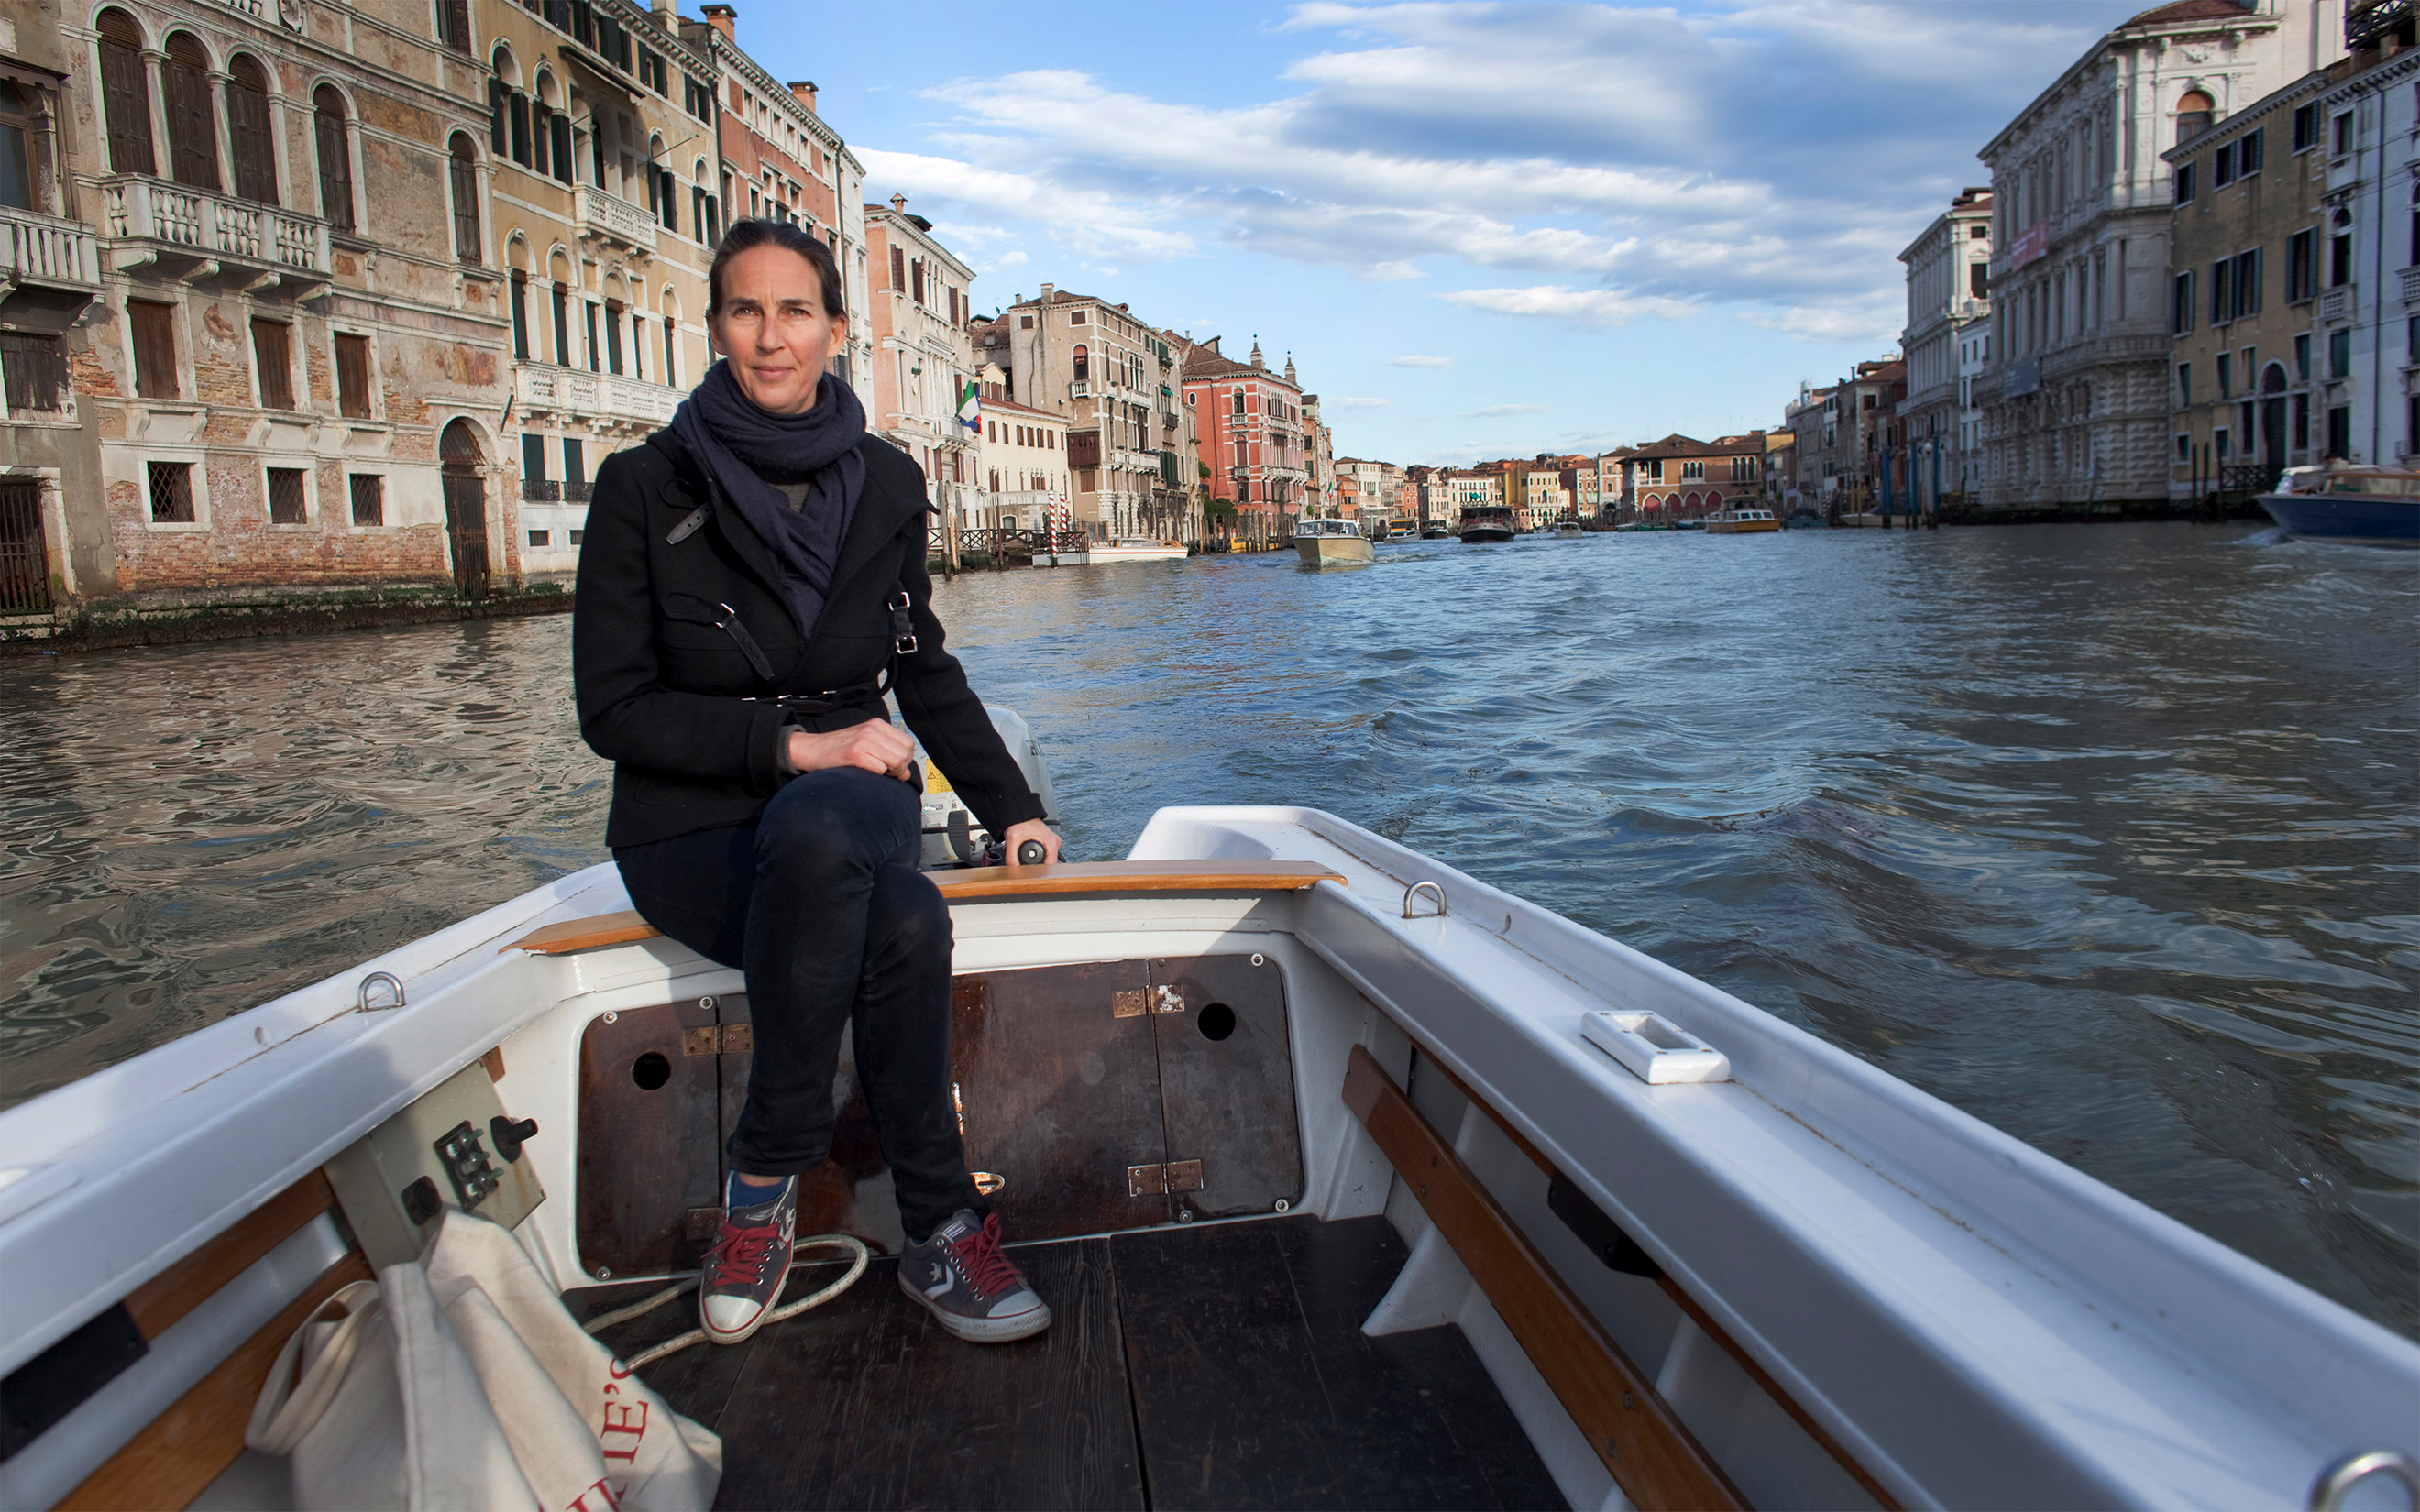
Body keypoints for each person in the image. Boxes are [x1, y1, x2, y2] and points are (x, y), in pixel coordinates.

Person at [573, 219, 1059, 1347]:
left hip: (844, 814)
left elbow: (921, 669)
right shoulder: (643, 489)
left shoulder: (887, 484)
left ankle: (761, 1187)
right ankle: (938, 1228)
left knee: (836, 827)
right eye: (746, 309)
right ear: (714, 328)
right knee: (901, 912)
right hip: (691, 837)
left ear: (837, 331)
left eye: (796, 311)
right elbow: (615, 712)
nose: (771, 335)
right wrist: (798, 747)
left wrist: (1015, 809)